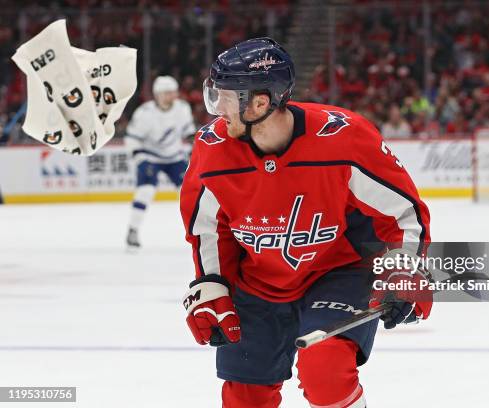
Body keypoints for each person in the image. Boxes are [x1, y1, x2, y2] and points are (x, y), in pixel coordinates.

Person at [180, 38, 432, 408]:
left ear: (260, 103)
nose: (219, 109)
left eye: (227, 97)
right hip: (257, 284)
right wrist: (212, 283)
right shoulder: (212, 149)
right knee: (245, 398)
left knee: (325, 372)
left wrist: (404, 265)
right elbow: (206, 227)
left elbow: (403, 214)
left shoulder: (343, 138)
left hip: (337, 273)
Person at [125, 76, 195, 249]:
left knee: (191, 194)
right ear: (157, 95)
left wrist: (195, 151)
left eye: (173, 92)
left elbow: (189, 133)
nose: (171, 96)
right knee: (145, 191)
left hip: (175, 156)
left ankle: (199, 231)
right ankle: (133, 230)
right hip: (150, 156)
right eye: (166, 93)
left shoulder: (182, 108)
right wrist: (139, 159)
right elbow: (132, 139)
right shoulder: (145, 113)